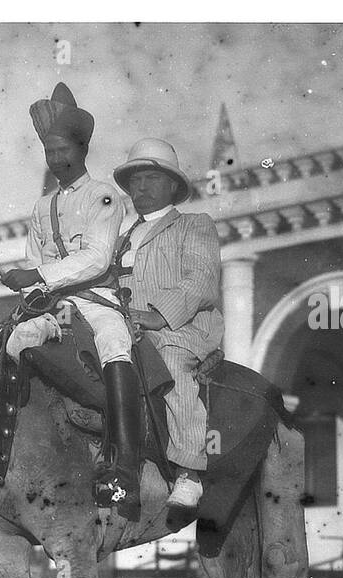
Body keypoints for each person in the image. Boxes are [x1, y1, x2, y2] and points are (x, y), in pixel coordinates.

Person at [0, 83, 142, 518]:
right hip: (53, 304)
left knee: (116, 344)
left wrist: (38, 276)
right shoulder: (42, 207)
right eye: (49, 152)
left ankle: (126, 468)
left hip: (96, 299)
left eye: (63, 150)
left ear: (81, 149)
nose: (57, 159)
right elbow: (33, 260)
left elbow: (97, 258)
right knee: (11, 342)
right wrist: (31, 291)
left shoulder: (104, 195)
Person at [112, 138, 224, 516]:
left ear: (173, 186)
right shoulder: (121, 237)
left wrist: (158, 315)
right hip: (129, 329)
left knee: (173, 367)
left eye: (150, 178)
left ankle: (189, 471)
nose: (140, 188)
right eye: (135, 180)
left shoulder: (194, 225)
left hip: (182, 328)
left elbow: (201, 281)